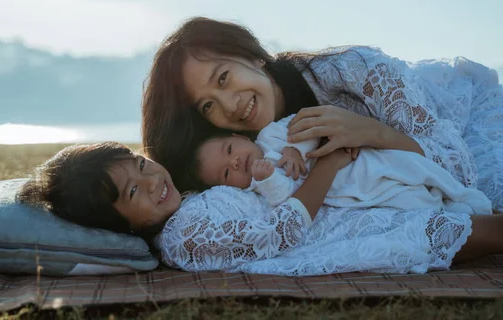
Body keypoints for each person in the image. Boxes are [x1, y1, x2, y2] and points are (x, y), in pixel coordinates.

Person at [141, 17, 503, 213]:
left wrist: (370, 130)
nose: (230, 105)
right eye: (207, 106)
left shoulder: (356, 71)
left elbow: (458, 168)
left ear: (251, 54)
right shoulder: (242, 153)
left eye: (223, 77)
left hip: (474, 121)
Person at [17, 142, 503, 275]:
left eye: (141, 165)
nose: (150, 181)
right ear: (118, 225)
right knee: (479, 231)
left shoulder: (188, 200)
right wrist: (327, 166)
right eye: (131, 194)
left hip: (342, 212)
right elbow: (280, 234)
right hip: (339, 237)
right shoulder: (185, 239)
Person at [187, 114, 492, 219]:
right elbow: (284, 199)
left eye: (230, 149)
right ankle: (447, 211)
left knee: (410, 166)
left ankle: (460, 194)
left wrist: (295, 148)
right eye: (227, 172)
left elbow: (313, 128)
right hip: (347, 190)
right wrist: (267, 181)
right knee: (405, 199)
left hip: (360, 161)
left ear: (238, 135)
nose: (236, 161)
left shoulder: (272, 134)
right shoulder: (256, 185)